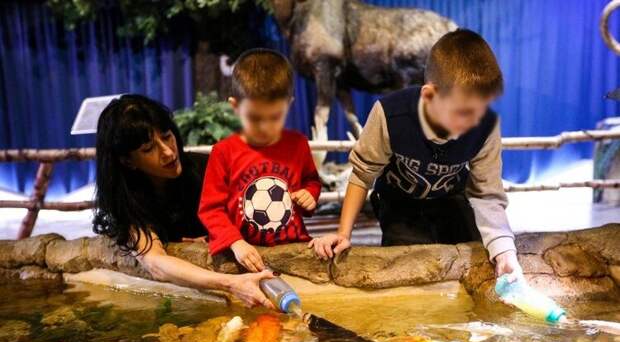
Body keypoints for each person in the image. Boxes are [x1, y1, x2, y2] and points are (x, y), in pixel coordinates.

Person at [310, 29, 522, 278]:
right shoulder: (390, 114)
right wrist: (343, 234)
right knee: (406, 266)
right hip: (400, 203)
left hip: (451, 198)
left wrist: (504, 251)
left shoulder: (485, 126)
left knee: (476, 260)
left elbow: (486, 194)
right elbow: (362, 174)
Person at [93, 94, 275, 309]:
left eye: (167, 136)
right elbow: (156, 263)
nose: (168, 152)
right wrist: (232, 284)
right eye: (148, 149)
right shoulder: (126, 202)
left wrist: (218, 235)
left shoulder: (208, 168)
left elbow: (261, 215)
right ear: (127, 161)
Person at [199, 49, 322, 272]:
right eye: (255, 118)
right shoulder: (223, 152)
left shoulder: (298, 144)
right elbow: (210, 209)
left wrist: (309, 195)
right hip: (244, 256)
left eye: (275, 117)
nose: (265, 127)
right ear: (235, 107)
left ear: (289, 104)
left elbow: (311, 182)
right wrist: (235, 243)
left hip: (294, 250)